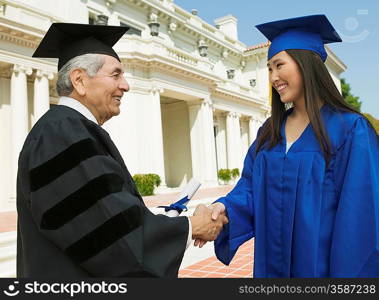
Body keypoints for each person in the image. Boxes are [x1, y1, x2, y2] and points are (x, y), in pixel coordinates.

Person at [17, 23, 227, 278]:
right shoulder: (62, 134)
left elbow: (103, 214)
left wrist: (165, 219)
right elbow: (110, 237)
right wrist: (191, 226)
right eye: (116, 75)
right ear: (80, 80)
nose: (125, 85)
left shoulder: (69, 129)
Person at [195, 15, 379, 277]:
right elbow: (249, 189)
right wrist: (222, 209)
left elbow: (360, 219)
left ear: (307, 64)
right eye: (269, 68)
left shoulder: (349, 130)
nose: (273, 77)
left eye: (279, 65)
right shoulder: (268, 133)